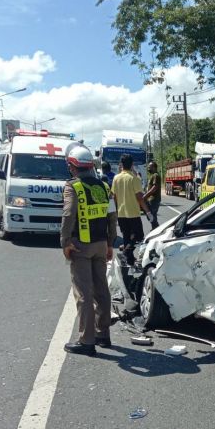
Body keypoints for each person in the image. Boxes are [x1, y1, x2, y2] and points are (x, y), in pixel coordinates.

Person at [60, 146, 117, 354]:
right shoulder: (104, 186)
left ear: (72, 167)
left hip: (81, 246)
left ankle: (87, 341)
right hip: (101, 244)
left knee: (83, 293)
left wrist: (65, 242)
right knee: (102, 289)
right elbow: (112, 215)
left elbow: (68, 215)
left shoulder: (72, 187)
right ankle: (103, 335)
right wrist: (110, 242)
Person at [111, 154, 151, 264]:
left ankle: (129, 259)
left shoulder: (116, 178)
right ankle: (125, 252)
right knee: (139, 235)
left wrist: (115, 211)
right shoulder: (134, 178)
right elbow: (139, 197)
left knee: (126, 236)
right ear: (132, 164)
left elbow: (114, 197)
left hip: (121, 213)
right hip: (133, 212)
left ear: (121, 164)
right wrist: (147, 211)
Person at [143, 161, 162, 228]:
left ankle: (156, 228)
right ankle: (155, 228)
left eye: (149, 167)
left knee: (151, 215)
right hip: (151, 199)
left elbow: (154, 187)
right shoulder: (153, 175)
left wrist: (145, 196)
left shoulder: (155, 175)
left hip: (153, 200)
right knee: (151, 215)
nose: (148, 168)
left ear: (154, 167)